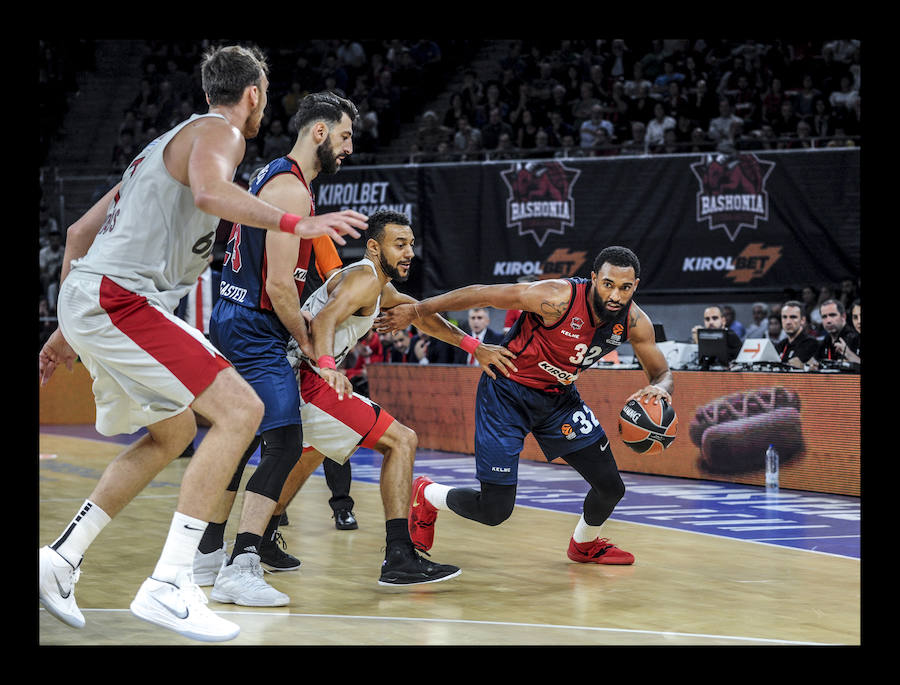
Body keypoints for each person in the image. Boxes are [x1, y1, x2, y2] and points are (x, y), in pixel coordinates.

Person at [38, 45, 367, 642]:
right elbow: (212, 195)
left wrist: (67, 323)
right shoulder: (221, 133)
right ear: (254, 96)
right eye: (264, 95)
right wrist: (298, 223)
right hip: (118, 299)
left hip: (97, 298)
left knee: (176, 431)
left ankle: (60, 558)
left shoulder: (158, 149)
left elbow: (82, 233)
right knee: (244, 410)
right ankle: (170, 583)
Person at [375, 246, 673, 567]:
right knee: (495, 511)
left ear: (635, 286)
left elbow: (662, 372)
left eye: (625, 287)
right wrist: (417, 310)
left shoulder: (635, 321)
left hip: (558, 399)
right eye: (608, 284)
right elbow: (481, 294)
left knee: (611, 488)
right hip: (507, 392)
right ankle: (427, 494)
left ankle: (583, 545)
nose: (615, 294)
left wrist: (659, 388)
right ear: (593, 279)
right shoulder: (556, 298)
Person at [190, 91, 365, 607]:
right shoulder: (291, 189)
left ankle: (205, 553)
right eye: (345, 135)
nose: (348, 147)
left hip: (232, 315)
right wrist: (313, 346)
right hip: (254, 327)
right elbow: (281, 288)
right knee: (284, 444)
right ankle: (242, 564)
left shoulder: (272, 173)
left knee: (242, 439)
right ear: (319, 132)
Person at [278, 210, 517, 585]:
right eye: (399, 245)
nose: (409, 253)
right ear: (374, 248)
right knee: (402, 440)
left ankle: (258, 538)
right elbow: (324, 320)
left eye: (411, 245)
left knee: (312, 453)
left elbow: (419, 315)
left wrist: (474, 345)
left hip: (297, 377)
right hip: (306, 376)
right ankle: (400, 556)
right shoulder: (364, 280)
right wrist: (328, 365)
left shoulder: (379, 286)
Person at [814, 298, 860, 366]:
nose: (828, 320)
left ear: (843, 316)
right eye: (824, 317)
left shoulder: (855, 337)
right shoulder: (825, 340)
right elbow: (813, 362)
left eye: (832, 315)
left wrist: (849, 354)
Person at [775, 300, 819, 368]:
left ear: (802, 320)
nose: (788, 322)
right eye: (784, 317)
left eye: (793, 317)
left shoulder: (810, 343)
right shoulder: (780, 345)